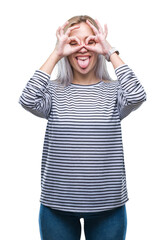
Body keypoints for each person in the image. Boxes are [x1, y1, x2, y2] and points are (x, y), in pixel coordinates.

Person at [18, 15, 146, 240]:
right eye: (73, 42)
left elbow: (137, 95)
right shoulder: (52, 91)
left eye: (91, 41)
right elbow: (28, 99)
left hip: (109, 206)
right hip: (57, 206)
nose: (83, 48)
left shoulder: (115, 92)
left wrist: (110, 52)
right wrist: (56, 54)